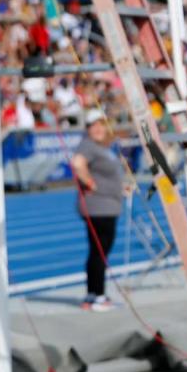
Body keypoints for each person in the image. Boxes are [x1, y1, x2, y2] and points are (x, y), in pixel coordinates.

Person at [71, 108, 124, 312]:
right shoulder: (88, 145)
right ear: (88, 128)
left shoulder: (100, 147)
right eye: (94, 125)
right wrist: (90, 183)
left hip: (106, 205)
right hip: (100, 208)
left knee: (96, 252)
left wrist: (119, 188)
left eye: (101, 124)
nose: (99, 129)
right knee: (100, 252)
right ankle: (98, 296)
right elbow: (77, 163)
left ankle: (92, 294)